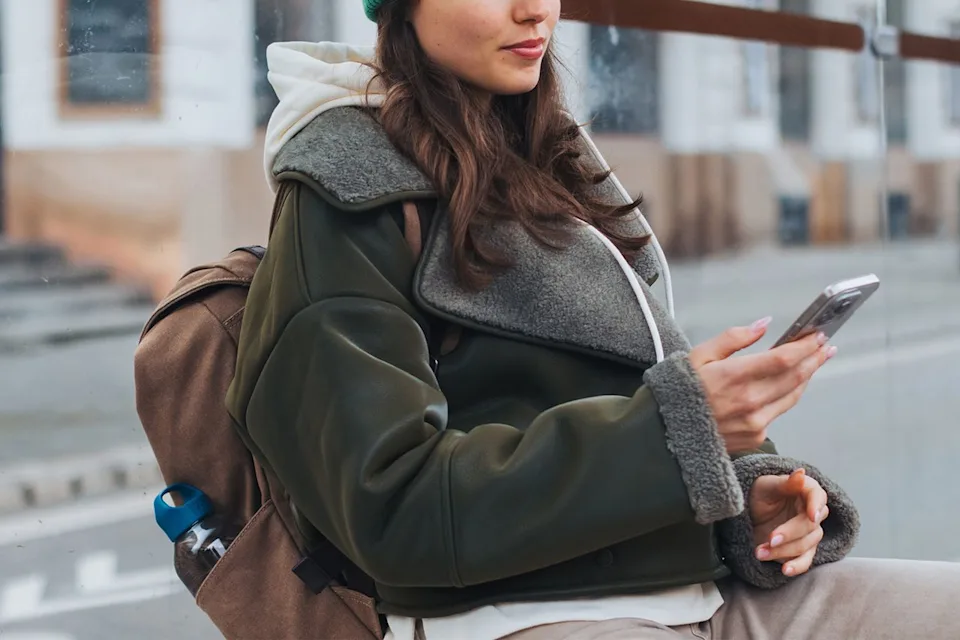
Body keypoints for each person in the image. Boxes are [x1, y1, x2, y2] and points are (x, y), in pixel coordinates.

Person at [225, 0, 960, 638]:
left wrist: (750, 500)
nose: (536, 13)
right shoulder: (344, 196)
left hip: (708, 595)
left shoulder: (555, 160)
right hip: (522, 615)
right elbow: (391, 506)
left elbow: (627, 415)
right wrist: (677, 432)